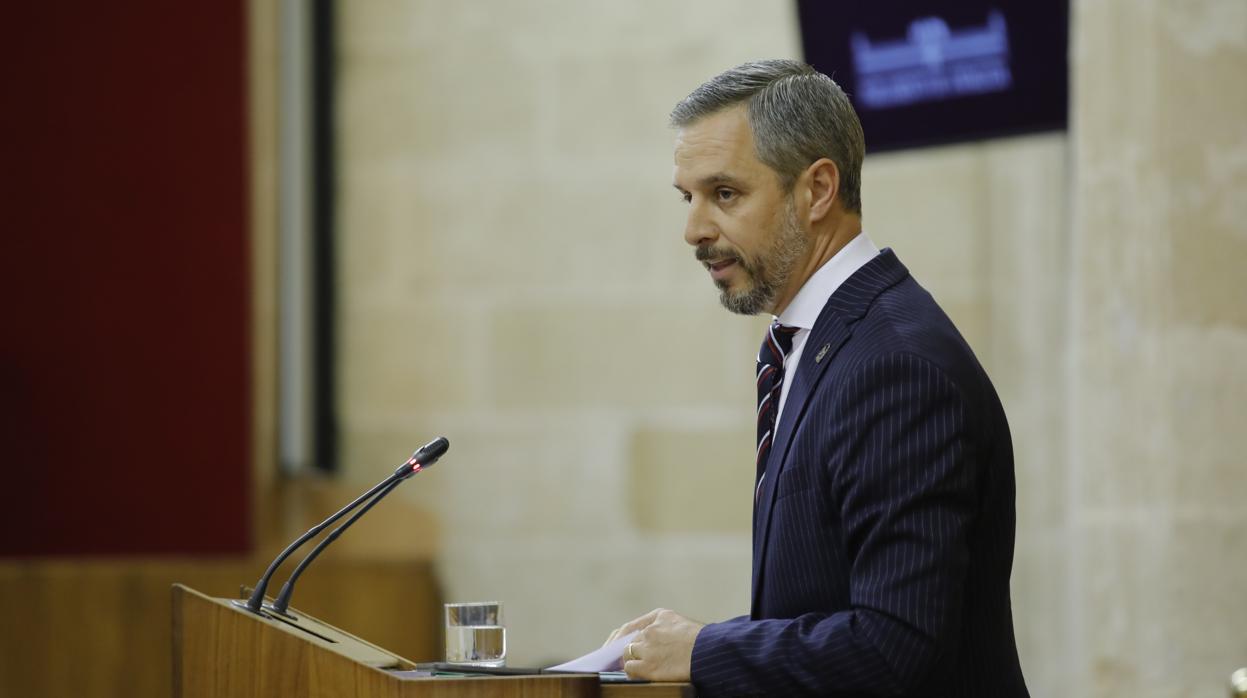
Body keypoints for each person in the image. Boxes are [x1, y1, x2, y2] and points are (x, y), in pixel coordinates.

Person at [604, 60, 1030, 696]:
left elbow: (895, 645)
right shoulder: (818, 343)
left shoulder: (895, 367)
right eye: (687, 197)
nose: (694, 229)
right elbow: (826, 600)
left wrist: (704, 650)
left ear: (818, 190)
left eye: (724, 194)